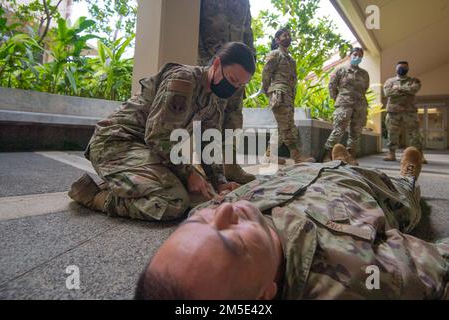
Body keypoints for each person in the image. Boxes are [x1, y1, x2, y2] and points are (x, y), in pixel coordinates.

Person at [135, 145, 449, 300]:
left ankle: (344, 162)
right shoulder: (359, 278)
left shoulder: (231, 212)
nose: (223, 212)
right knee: (408, 199)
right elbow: (440, 266)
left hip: (307, 173)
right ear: (264, 295)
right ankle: (408, 177)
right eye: (233, 240)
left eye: (198, 221)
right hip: (375, 189)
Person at [68, 42, 256, 221]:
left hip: (148, 149)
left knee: (198, 192)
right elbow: (159, 135)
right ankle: (96, 196)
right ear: (216, 64)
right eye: (232, 79)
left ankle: (131, 183)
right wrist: (189, 173)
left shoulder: (213, 103)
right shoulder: (184, 79)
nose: (233, 88)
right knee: (172, 201)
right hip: (116, 142)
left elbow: (209, 146)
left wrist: (220, 182)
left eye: (239, 85)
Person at [197, 0, 256, 184]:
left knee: (234, 116)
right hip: (216, 64)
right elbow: (195, 24)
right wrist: (204, 58)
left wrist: (251, 59)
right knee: (212, 116)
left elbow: (247, 29)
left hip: (238, 67)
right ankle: (207, 164)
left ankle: (230, 164)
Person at [262, 28, 315, 164]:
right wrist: (269, 91)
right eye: (284, 35)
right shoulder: (274, 54)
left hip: (289, 95)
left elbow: (293, 80)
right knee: (288, 126)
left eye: (289, 35)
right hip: (279, 93)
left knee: (282, 127)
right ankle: (296, 156)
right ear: (277, 40)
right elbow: (266, 74)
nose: (287, 37)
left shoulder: (291, 60)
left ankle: (269, 156)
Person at [323, 47, 370, 166]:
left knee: (356, 132)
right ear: (349, 56)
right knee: (338, 130)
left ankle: (351, 156)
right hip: (344, 104)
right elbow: (332, 86)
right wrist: (338, 99)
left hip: (360, 106)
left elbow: (365, 88)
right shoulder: (341, 70)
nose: (357, 57)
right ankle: (327, 154)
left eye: (360, 56)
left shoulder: (364, 74)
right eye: (355, 54)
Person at [383, 61, 427, 164]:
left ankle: (419, 155)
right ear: (396, 68)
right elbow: (387, 92)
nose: (402, 68)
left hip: (410, 111)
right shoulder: (390, 81)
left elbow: (414, 90)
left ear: (408, 69)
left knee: (415, 134)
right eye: (400, 67)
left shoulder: (414, 80)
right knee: (392, 133)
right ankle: (391, 153)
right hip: (393, 111)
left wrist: (398, 88)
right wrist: (407, 90)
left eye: (404, 67)